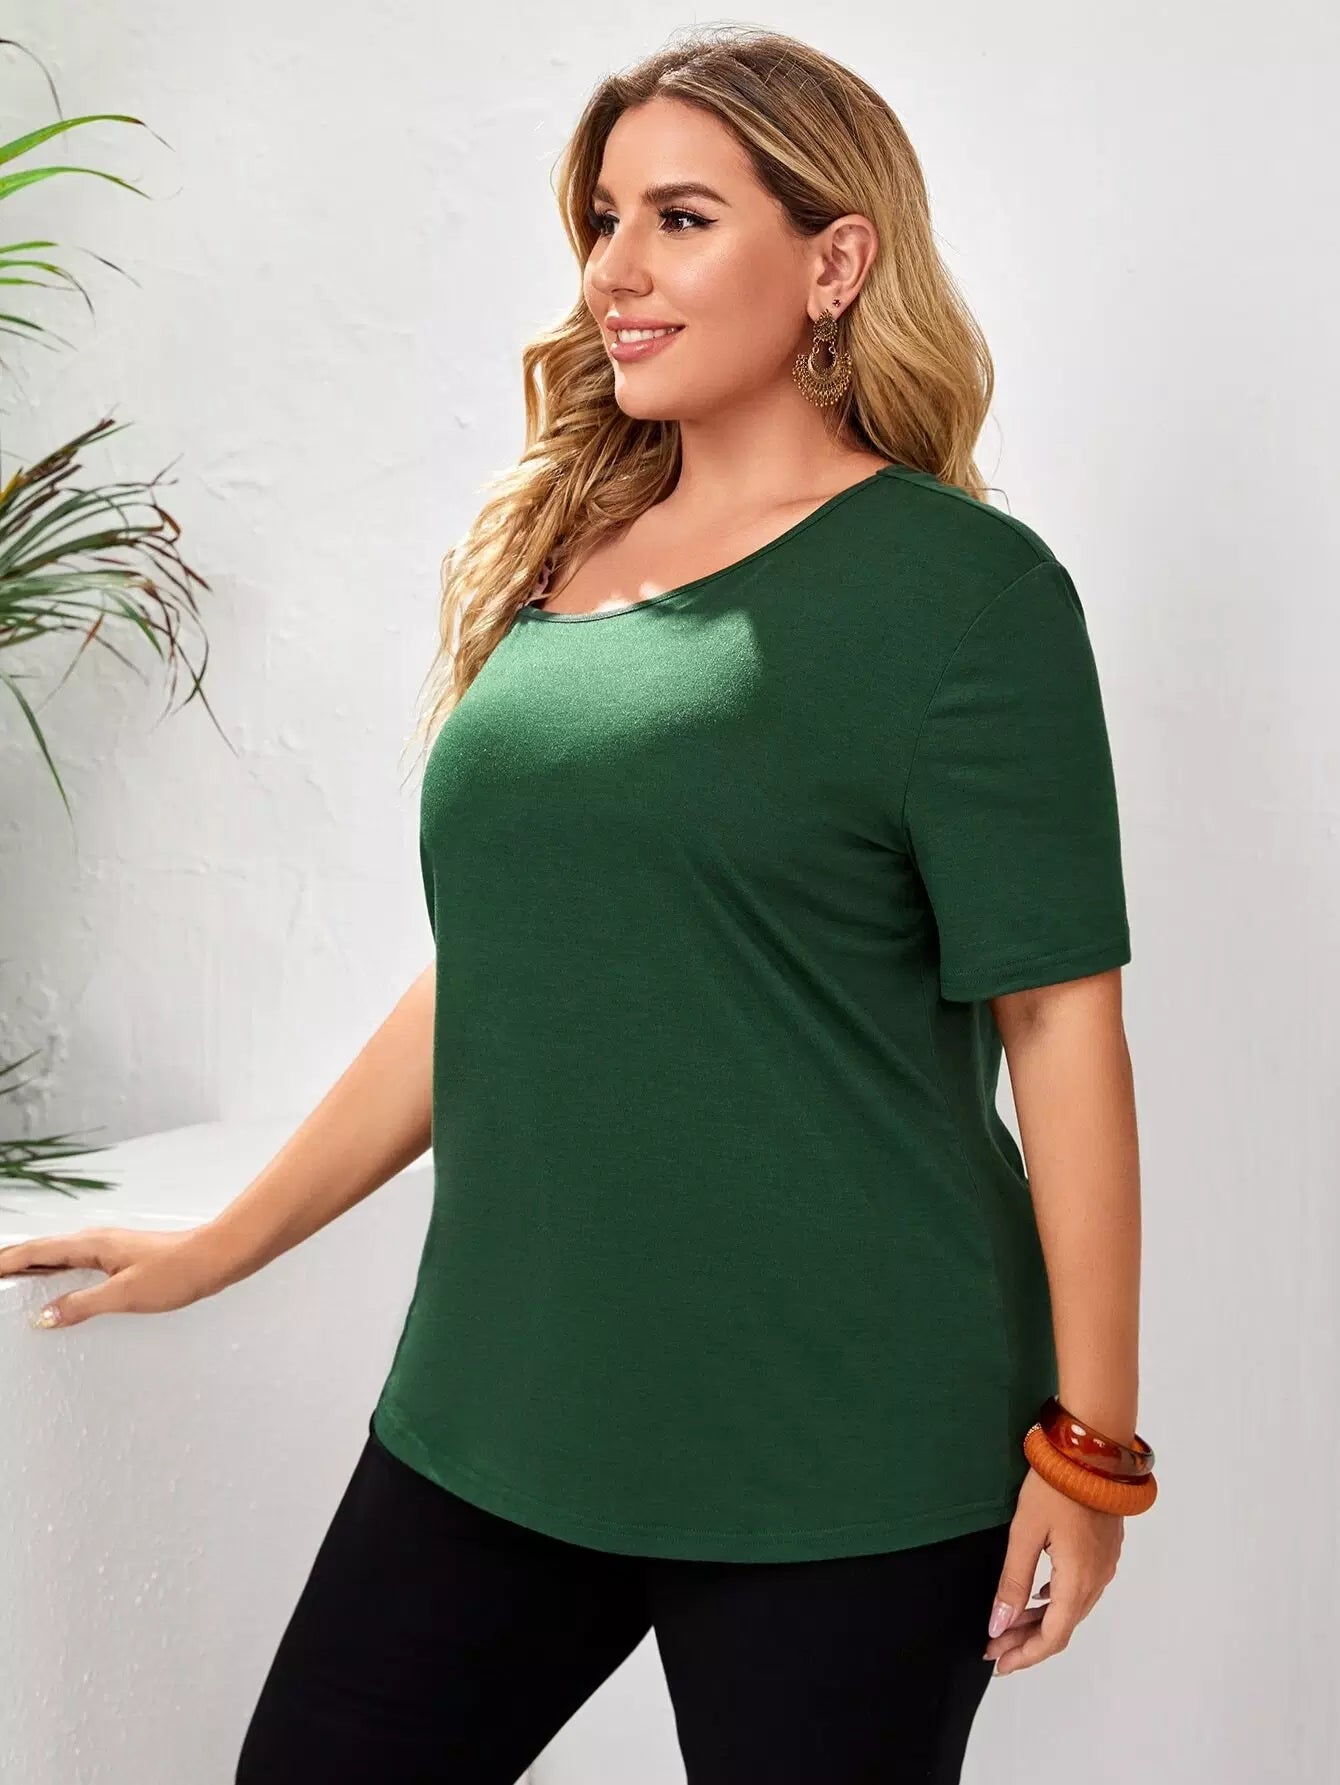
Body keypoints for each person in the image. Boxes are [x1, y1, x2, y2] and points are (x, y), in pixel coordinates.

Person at [0, 24, 1158, 1784]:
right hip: (507, 1403)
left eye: (681, 218)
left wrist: (1093, 1445)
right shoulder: (570, 555)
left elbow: (1061, 1017)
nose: (616, 267)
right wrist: (226, 1238)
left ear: (835, 260)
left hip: (847, 1437)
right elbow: (501, 970)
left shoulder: (966, 598)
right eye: (605, 218)